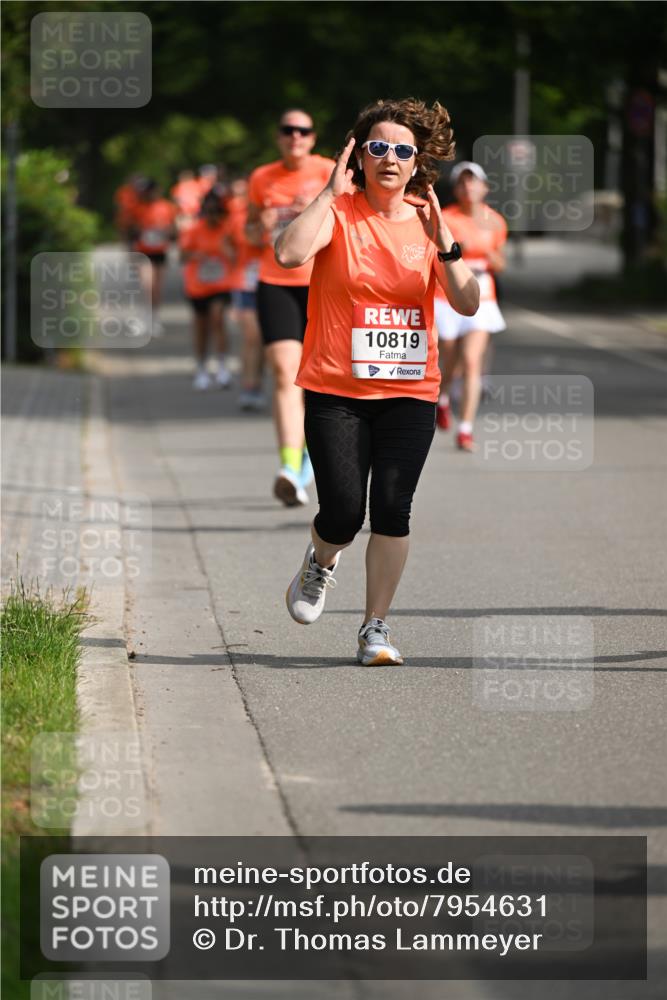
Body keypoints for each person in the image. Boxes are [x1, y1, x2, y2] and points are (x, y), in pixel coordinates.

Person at [275, 98, 479, 665]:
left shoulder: (430, 223)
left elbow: (468, 303)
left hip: (410, 391)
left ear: (418, 162)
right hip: (335, 388)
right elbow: (288, 254)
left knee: (392, 508)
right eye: (378, 147)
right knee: (342, 512)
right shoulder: (338, 214)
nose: (390, 158)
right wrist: (327, 194)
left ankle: (375, 628)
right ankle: (320, 563)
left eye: (403, 150)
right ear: (357, 156)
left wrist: (448, 247)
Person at [246, 110, 335, 506]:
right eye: (288, 130)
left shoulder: (330, 171)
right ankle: (287, 466)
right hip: (277, 283)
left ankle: (307, 465)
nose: (295, 136)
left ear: (313, 138)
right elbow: (249, 233)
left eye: (303, 131)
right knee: (285, 374)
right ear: (279, 137)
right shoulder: (261, 178)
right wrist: (260, 223)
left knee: (322, 383)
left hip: (324, 285)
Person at [434, 161, 507, 451]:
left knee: (473, 361)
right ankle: (442, 398)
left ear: (484, 187)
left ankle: (465, 429)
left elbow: (500, 264)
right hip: (446, 296)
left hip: (483, 296)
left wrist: (487, 251)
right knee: (449, 359)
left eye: (474, 181)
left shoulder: (496, 222)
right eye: (463, 183)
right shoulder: (446, 218)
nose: (468, 187)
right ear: (456, 189)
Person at [179, 190, 234, 389]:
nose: (212, 217)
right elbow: (182, 256)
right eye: (208, 212)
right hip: (198, 286)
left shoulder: (227, 230)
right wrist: (197, 255)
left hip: (221, 284)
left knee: (218, 320)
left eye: (216, 212)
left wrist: (229, 251)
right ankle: (202, 367)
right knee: (201, 328)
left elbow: (238, 255)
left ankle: (222, 366)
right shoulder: (193, 230)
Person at [225, 177, 265, 411]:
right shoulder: (237, 217)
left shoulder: (275, 214)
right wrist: (233, 259)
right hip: (245, 283)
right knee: (252, 336)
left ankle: (257, 383)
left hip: (271, 281)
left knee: (262, 341)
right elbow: (226, 241)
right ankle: (249, 386)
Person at [128, 179, 177, 336]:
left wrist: (167, 233)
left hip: (159, 252)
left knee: (156, 288)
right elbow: (131, 231)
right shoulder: (137, 208)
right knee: (146, 285)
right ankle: (144, 318)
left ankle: (154, 318)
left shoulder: (167, 207)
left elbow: (173, 230)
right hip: (143, 252)